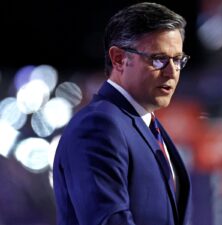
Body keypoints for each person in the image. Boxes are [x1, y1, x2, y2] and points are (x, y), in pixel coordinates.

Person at [53, 2, 192, 225]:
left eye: (177, 60)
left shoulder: (146, 125)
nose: (172, 72)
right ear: (119, 58)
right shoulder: (98, 126)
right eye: (158, 59)